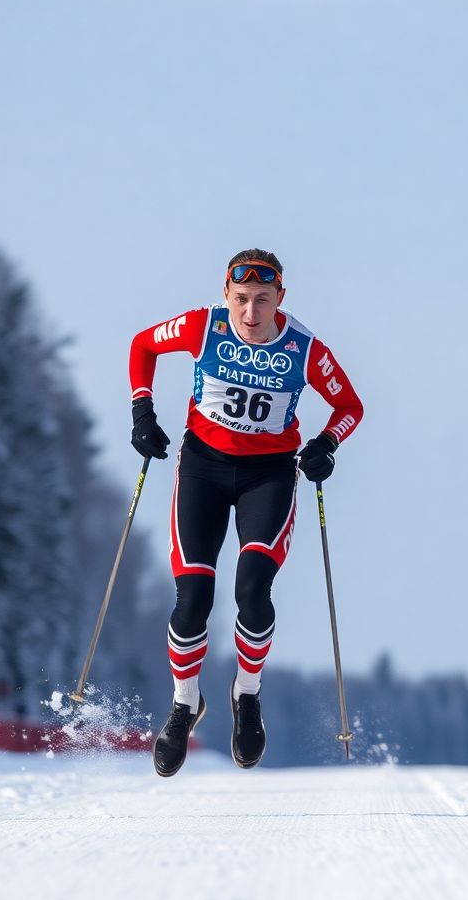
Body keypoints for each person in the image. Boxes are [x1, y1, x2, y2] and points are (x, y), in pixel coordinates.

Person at [129, 249, 364, 777]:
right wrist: (143, 411)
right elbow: (142, 346)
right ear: (226, 293)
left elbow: (350, 406)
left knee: (253, 590)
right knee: (192, 599)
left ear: (281, 297)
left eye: (262, 300)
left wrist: (326, 443)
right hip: (204, 471)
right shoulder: (203, 327)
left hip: (269, 475)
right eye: (240, 300)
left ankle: (247, 694)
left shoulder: (303, 349)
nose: (250, 314)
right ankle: (185, 703)